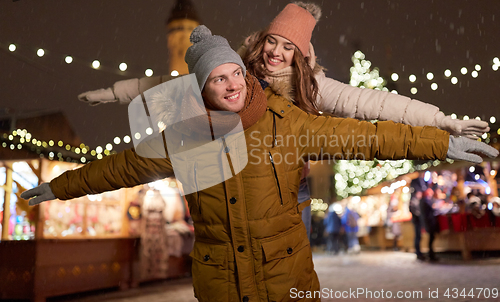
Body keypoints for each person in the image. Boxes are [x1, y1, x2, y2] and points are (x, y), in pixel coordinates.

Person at [24, 25, 498, 302]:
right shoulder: (183, 136)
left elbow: (365, 134)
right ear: (200, 89)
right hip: (221, 279)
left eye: (235, 72)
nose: (231, 85)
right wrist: (60, 185)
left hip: (287, 275)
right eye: (216, 79)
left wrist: (437, 142)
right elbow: (121, 168)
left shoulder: (285, 120)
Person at [78, 2, 490, 239]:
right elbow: (175, 86)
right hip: (230, 171)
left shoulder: (315, 88)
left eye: (288, 47)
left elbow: (376, 104)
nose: (276, 52)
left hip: (285, 178)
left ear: (301, 54)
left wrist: (443, 121)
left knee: (281, 251)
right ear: (263, 40)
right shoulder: (236, 70)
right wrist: (117, 92)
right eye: (272, 41)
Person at [409, 175, 427, 261]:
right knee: (418, 236)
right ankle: (418, 253)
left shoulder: (414, 200)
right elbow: (416, 211)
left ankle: (419, 252)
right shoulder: (414, 201)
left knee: (418, 236)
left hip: (416, 220)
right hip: (417, 221)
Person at [420, 187, 440, 261]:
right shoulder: (425, 201)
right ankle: (431, 255)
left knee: (431, 238)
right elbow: (431, 210)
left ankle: (431, 254)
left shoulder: (423, 201)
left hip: (427, 222)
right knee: (431, 239)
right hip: (429, 222)